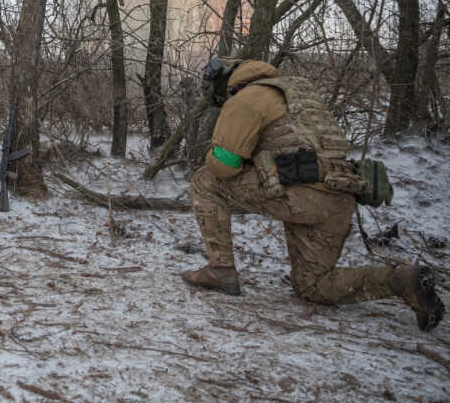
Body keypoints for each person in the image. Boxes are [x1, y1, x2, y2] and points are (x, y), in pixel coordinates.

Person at [182, 58, 444, 331]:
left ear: (227, 83)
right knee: (313, 285)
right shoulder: (299, 91)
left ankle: (221, 270)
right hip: (340, 195)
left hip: (300, 194)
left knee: (205, 179)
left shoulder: (245, 99)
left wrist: (215, 154)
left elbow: (225, 165)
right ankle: (402, 280)